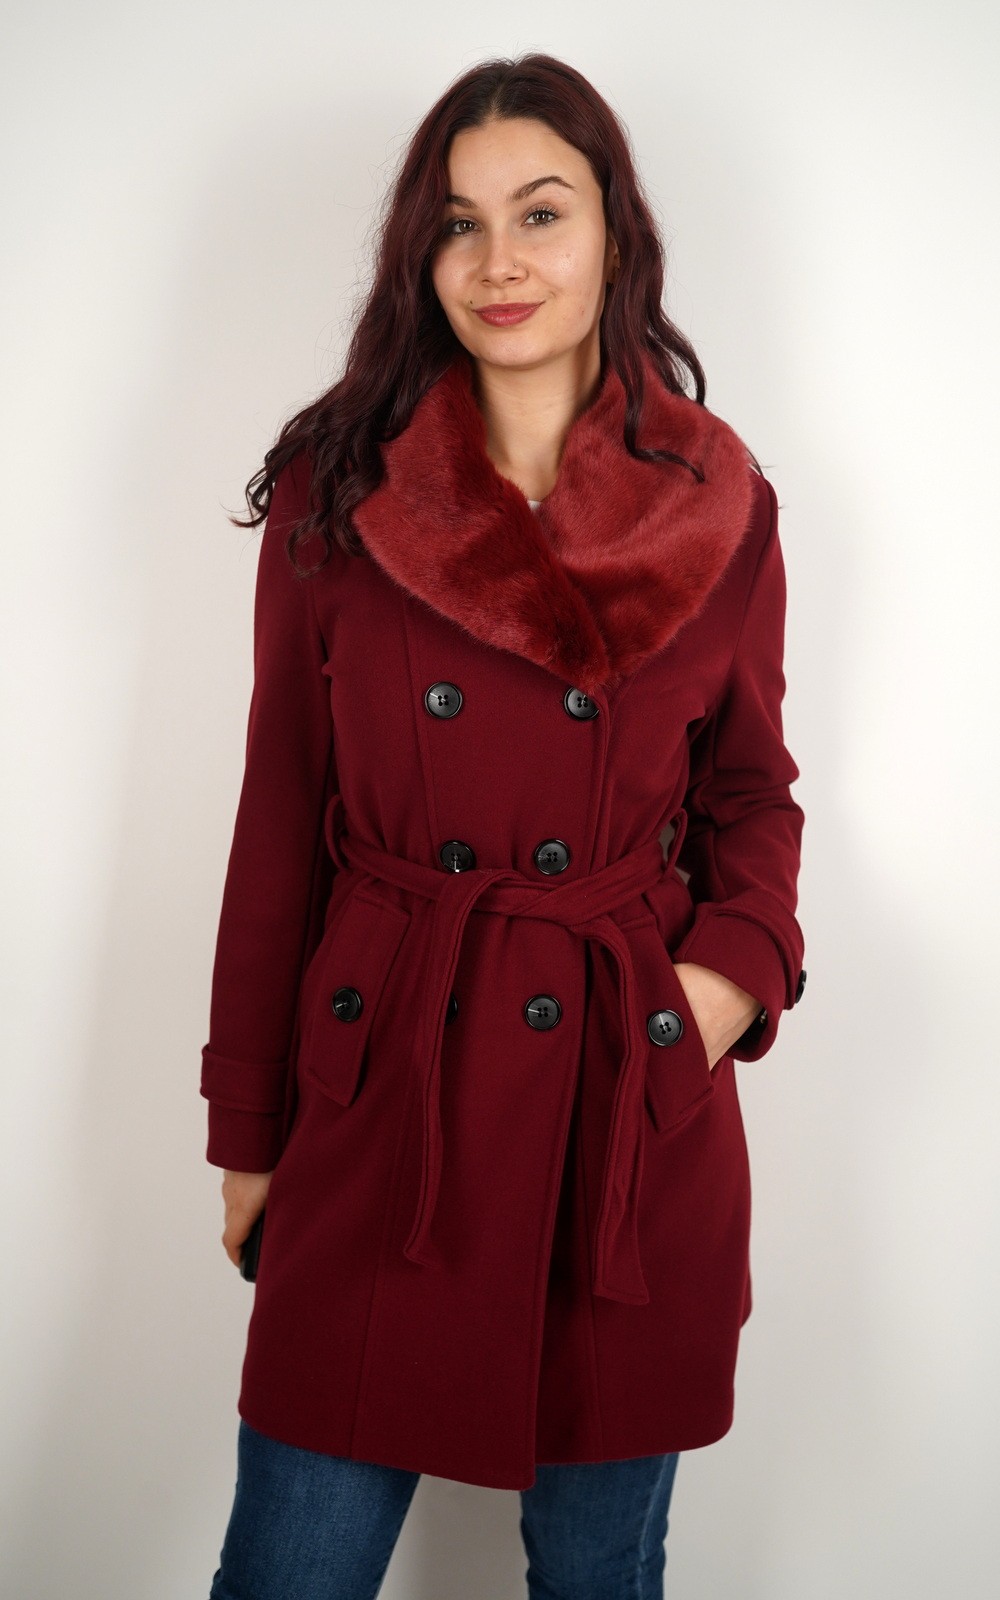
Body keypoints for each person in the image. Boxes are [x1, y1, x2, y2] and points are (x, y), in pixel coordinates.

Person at [202, 51, 806, 1600]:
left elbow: (751, 794)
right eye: (458, 225)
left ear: (614, 232)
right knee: (289, 1570)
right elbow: (280, 818)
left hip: (622, 1105)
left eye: (540, 213)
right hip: (380, 1102)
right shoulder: (340, 490)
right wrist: (248, 1129)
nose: (499, 262)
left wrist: (719, 987)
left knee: (600, 1578)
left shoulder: (719, 501)